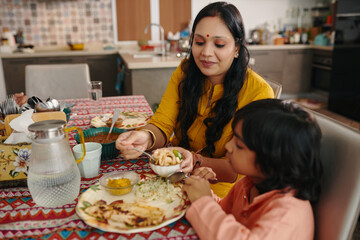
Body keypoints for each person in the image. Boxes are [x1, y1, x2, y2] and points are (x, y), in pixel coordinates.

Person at [116, 2, 274, 197]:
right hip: (172, 175)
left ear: (237, 49)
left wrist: (195, 160)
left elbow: (240, 167)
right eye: (199, 42)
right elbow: (163, 122)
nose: (206, 52)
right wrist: (146, 138)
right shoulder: (185, 72)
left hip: (219, 192)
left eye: (219, 44)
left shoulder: (259, 93)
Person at [182, 98, 323, 239]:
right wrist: (202, 191)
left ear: (271, 159)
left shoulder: (286, 215)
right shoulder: (248, 184)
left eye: (239, 145)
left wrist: (203, 201)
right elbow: (224, 213)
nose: (228, 147)